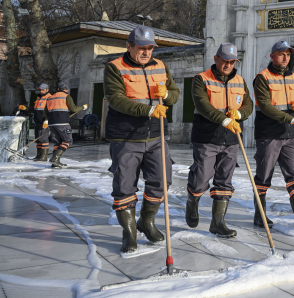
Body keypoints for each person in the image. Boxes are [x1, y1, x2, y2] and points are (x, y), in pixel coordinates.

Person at [104, 25, 180, 254]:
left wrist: (165, 95)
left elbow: (174, 94)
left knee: (162, 180)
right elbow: (116, 99)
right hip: (126, 136)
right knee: (125, 185)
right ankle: (129, 234)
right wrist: (148, 110)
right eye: (141, 48)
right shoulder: (114, 67)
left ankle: (146, 222)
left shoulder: (161, 66)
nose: (147, 52)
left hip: (156, 135)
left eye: (150, 48)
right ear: (129, 46)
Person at [186, 43, 253, 238]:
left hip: (231, 139)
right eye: (225, 61)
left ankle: (217, 223)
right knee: (201, 177)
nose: (228, 65)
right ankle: (193, 201)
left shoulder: (240, 81)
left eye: (232, 62)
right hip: (206, 137)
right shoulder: (201, 79)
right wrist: (224, 119)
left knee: (224, 181)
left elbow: (249, 104)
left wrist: (239, 114)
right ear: (216, 59)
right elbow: (203, 105)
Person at [252, 40, 294, 229]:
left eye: (288, 54)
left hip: (290, 135)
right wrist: (290, 119)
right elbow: (265, 106)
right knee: (263, 177)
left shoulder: (293, 77)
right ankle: (260, 214)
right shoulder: (262, 78)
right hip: (269, 134)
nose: (285, 58)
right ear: (273, 56)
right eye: (281, 54)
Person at [45, 83, 87, 168]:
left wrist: (50, 119)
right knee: (68, 140)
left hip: (52, 123)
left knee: (57, 142)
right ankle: (55, 159)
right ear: (67, 90)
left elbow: (45, 112)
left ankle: (55, 163)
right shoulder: (66, 96)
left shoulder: (50, 98)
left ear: (58, 89)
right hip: (63, 123)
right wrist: (83, 107)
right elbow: (73, 108)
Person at [32, 84, 51, 161]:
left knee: (43, 138)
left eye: (42, 90)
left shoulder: (49, 98)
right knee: (38, 138)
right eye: (40, 90)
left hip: (44, 121)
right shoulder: (38, 98)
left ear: (47, 90)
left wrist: (47, 119)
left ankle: (43, 157)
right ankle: (38, 155)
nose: (41, 91)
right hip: (37, 121)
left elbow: (50, 110)